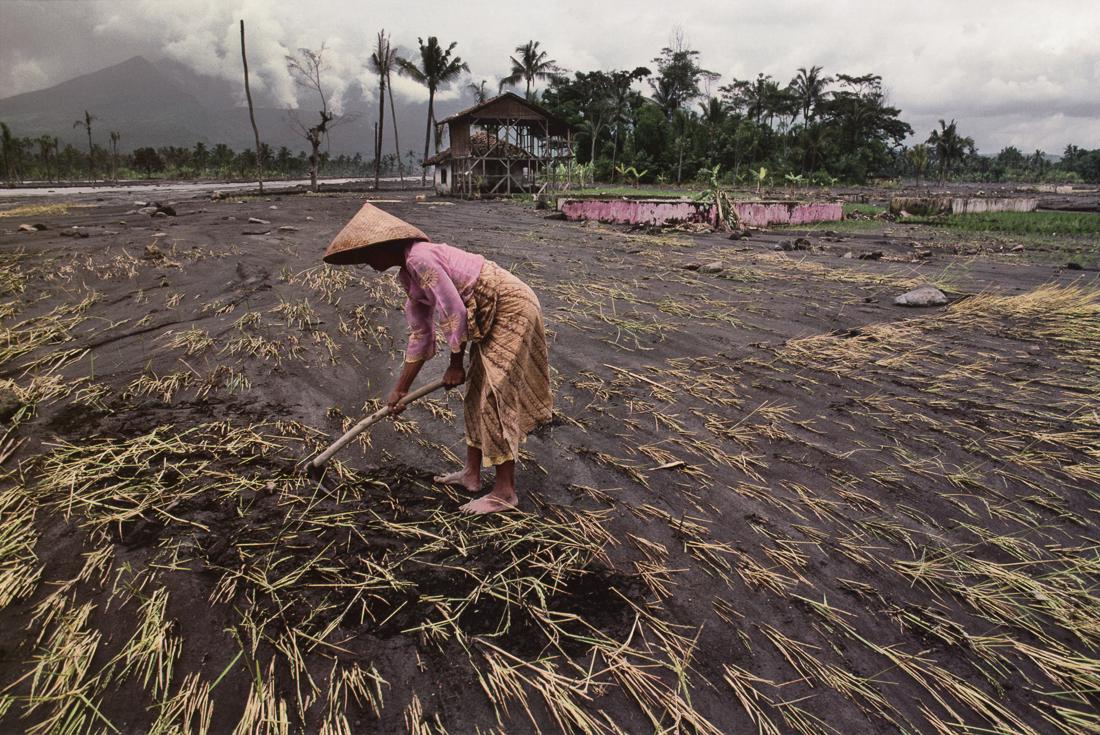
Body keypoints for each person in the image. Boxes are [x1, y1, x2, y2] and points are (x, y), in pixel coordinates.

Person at [323, 202, 552, 513]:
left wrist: (455, 364)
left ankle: (504, 492)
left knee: (494, 396)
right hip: (487, 317)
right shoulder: (408, 276)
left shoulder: (420, 257)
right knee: (475, 397)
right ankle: (471, 475)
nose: (366, 261)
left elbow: (453, 311)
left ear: (384, 245)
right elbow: (421, 335)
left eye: (368, 253)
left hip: (511, 308)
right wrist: (400, 390)